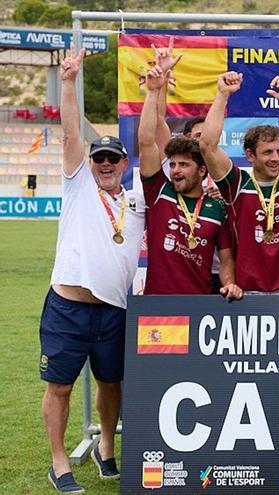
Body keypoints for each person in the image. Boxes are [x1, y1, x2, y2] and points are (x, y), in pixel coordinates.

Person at [40, 45, 145, 494]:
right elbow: (69, 136)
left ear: (123, 164)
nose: (104, 164)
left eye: (112, 159)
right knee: (59, 386)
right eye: (98, 158)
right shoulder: (78, 184)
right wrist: (68, 82)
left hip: (113, 310)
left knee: (111, 383)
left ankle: (106, 448)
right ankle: (59, 461)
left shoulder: (136, 200)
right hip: (68, 306)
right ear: (90, 163)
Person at [200, 72, 279, 294]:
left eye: (278, 151)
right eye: (267, 152)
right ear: (250, 156)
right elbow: (207, 146)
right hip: (249, 291)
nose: (276, 158)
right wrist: (222, 95)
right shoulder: (237, 184)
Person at [138, 65, 241, 299]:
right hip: (156, 305)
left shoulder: (217, 209)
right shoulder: (159, 192)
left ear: (202, 170)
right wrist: (153, 92)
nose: (175, 171)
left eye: (184, 165)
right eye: (173, 165)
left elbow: (226, 260)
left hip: (200, 306)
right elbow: (146, 142)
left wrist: (229, 284)